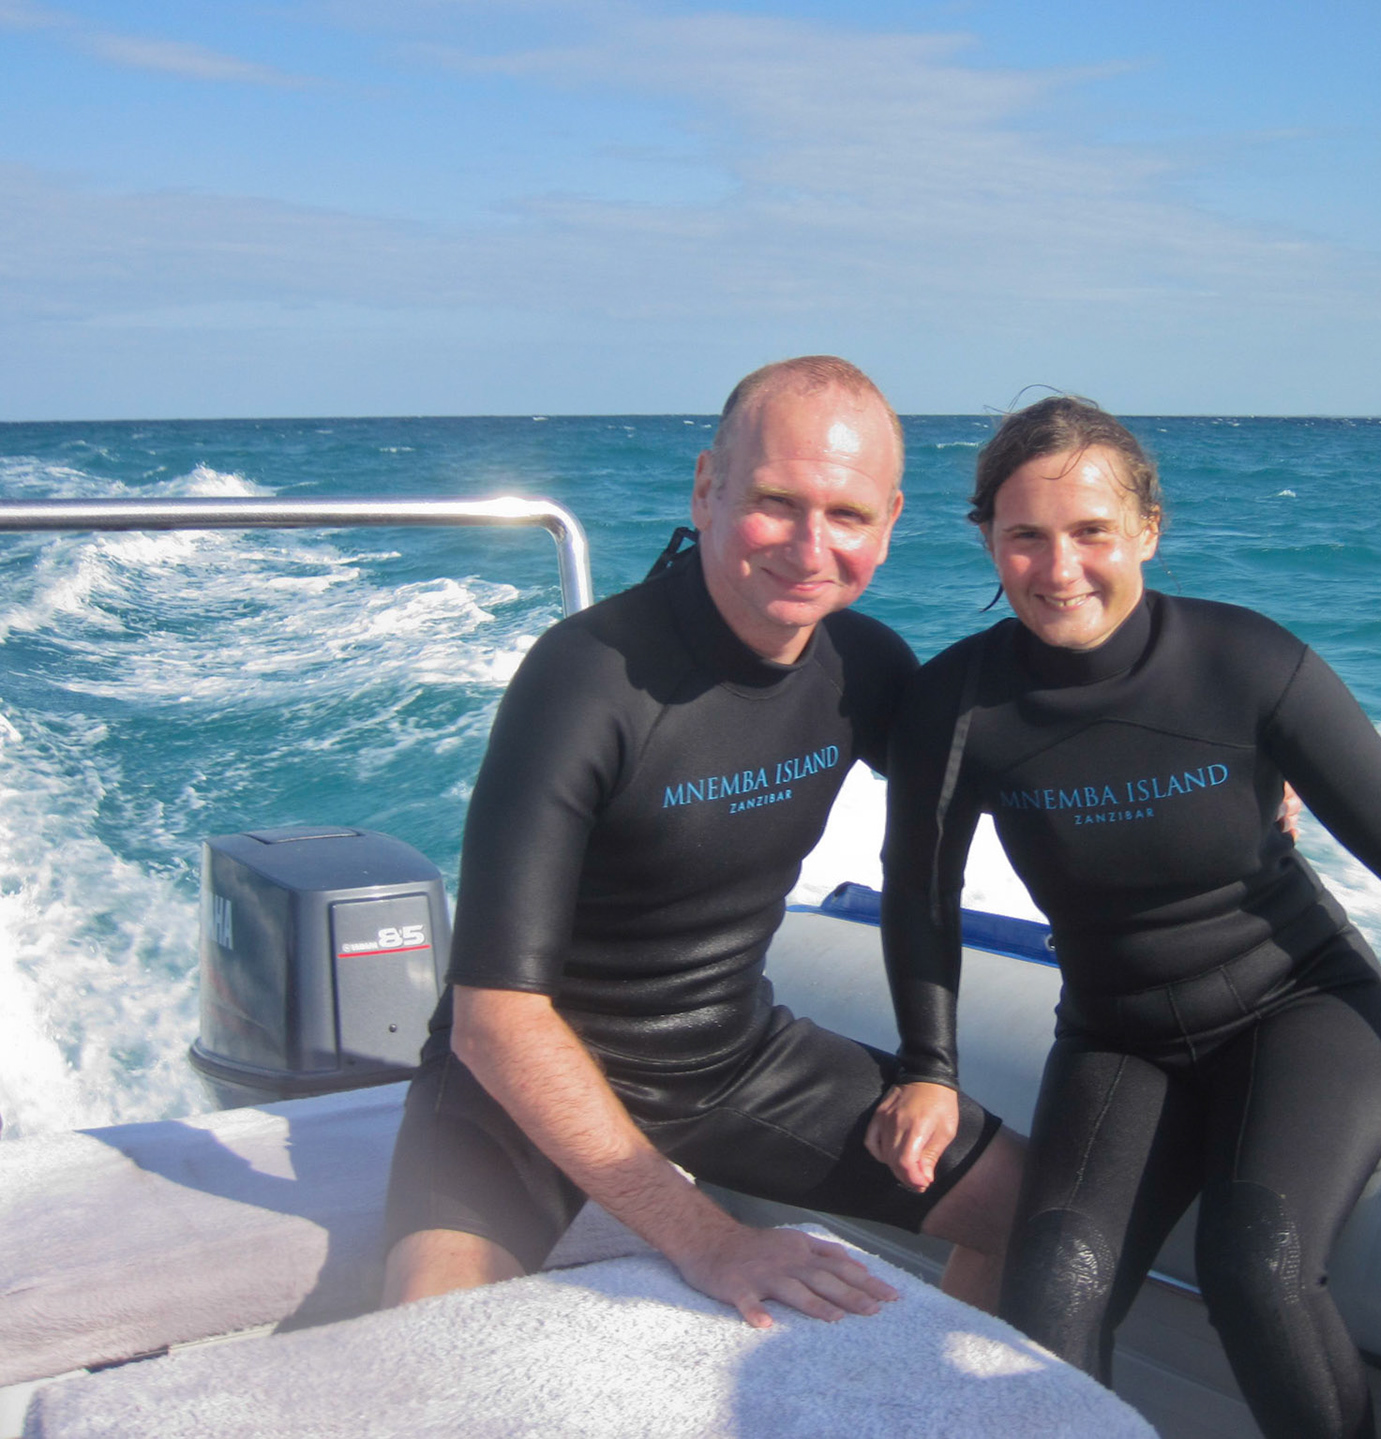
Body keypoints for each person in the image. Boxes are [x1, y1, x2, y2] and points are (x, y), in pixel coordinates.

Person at [865, 396, 1381, 1438]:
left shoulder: (1245, 663)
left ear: (1146, 529)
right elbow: (918, 893)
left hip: (1299, 1005)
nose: (1059, 568)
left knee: (1254, 1263)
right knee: (1051, 1288)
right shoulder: (958, 707)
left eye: (1091, 531)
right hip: (1115, 1032)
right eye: (1026, 537)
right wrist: (928, 1065)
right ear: (989, 541)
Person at [383, 357, 1022, 1329]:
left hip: (726, 1057)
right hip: (528, 1073)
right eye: (776, 501)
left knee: (1029, 1208)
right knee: (427, 1331)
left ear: (890, 522)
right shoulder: (586, 679)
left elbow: (1021, 770)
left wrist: (1232, 758)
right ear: (706, 488)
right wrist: (710, 1236)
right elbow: (496, 1021)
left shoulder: (865, 665)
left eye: (847, 515)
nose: (811, 547)